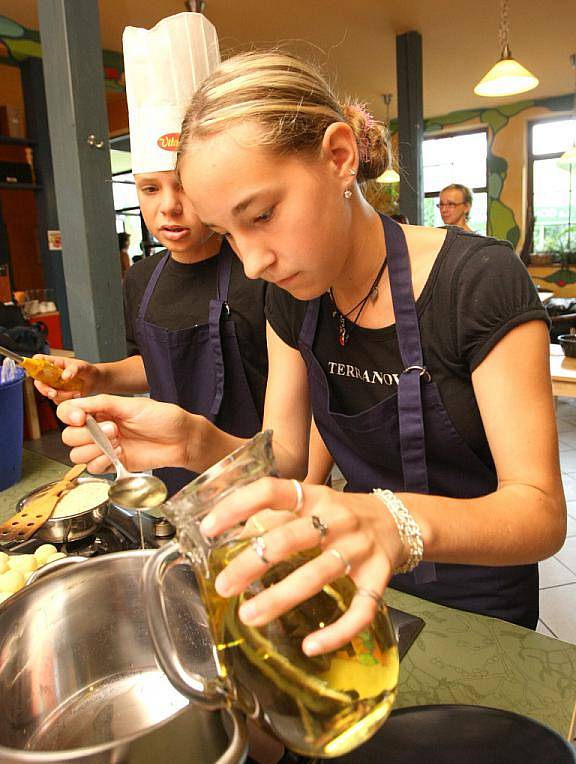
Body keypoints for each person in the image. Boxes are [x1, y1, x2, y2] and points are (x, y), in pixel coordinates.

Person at [58, 51, 565, 656]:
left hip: (483, 607)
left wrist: (391, 521)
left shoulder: (477, 280)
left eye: (263, 215)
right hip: (352, 584)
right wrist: (194, 440)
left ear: (340, 157)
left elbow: (538, 514)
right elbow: (289, 459)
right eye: (229, 233)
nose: (252, 262)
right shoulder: (291, 297)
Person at [34, 14, 269, 496]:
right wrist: (96, 376)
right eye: (149, 188)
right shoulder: (143, 280)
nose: (168, 208)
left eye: (183, 185)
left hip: (265, 473)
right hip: (175, 478)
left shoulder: (262, 271)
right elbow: (156, 364)